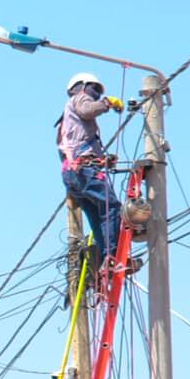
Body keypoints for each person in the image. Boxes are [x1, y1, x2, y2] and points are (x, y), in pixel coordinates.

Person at [56, 72, 125, 264]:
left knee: (97, 215)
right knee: (111, 207)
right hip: (83, 170)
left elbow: (78, 146)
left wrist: (103, 160)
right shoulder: (79, 99)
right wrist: (107, 103)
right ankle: (113, 255)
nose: (95, 94)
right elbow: (87, 110)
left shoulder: (66, 121)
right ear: (81, 86)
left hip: (73, 174)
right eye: (94, 88)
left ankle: (106, 259)